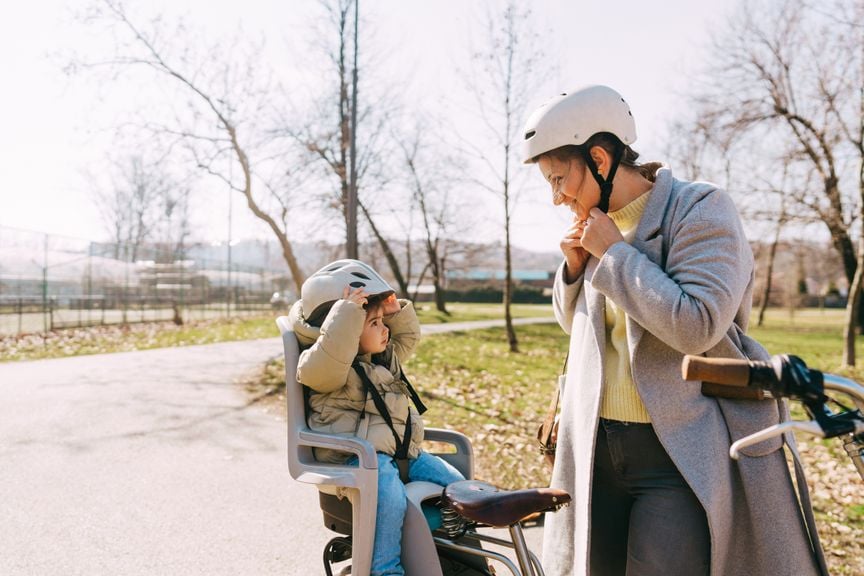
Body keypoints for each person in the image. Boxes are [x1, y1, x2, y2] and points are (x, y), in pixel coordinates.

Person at [520, 85, 827, 576]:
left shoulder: (701, 209)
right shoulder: (597, 224)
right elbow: (577, 330)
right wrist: (575, 270)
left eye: (559, 179)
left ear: (599, 157)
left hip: (676, 456)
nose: (556, 198)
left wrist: (614, 255)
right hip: (594, 451)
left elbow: (698, 325)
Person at [288, 259, 465, 576]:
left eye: (385, 321)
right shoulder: (323, 365)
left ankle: (460, 556)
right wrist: (346, 316)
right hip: (357, 460)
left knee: (461, 486)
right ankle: (384, 570)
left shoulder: (382, 358)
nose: (385, 329)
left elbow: (408, 338)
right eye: (374, 323)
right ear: (344, 326)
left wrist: (395, 308)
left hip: (402, 454)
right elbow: (327, 362)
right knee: (391, 499)